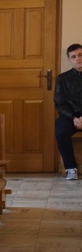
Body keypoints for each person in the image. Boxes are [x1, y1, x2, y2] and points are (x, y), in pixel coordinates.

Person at [55, 43, 82, 180]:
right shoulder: (62, 78)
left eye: (80, 55)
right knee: (60, 131)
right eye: (74, 56)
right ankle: (71, 168)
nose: (78, 58)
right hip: (70, 116)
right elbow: (59, 103)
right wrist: (74, 117)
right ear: (69, 59)